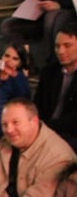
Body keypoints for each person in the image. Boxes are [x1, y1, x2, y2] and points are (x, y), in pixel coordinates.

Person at [35, 22, 77, 151]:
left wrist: (46, 129)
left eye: (67, 45)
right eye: (57, 46)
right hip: (43, 129)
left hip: (71, 134)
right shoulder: (49, 72)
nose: (61, 51)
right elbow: (37, 104)